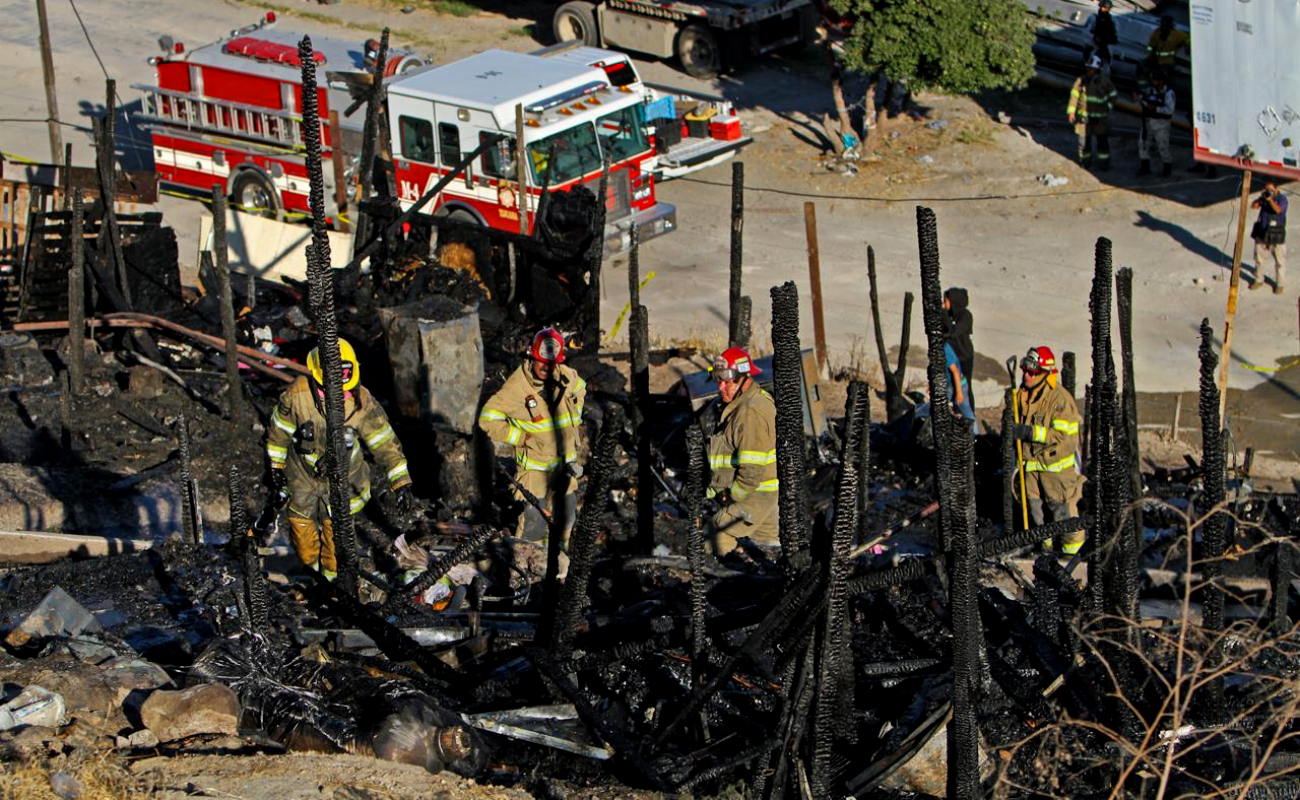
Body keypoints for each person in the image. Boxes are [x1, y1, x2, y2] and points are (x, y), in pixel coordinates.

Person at [265, 338, 412, 579]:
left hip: (345, 481)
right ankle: (311, 572)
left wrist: (401, 482)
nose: (340, 386)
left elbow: (384, 442)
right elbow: (278, 430)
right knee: (303, 537)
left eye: (345, 373)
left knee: (337, 543)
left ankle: (332, 583)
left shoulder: (361, 400)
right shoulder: (298, 395)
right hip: (302, 476)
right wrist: (275, 466)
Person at [479, 328, 586, 544]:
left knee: (566, 519)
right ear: (532, 357)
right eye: (541, 362)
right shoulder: (516, 388)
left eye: (551, 364)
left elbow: (581, 388)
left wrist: (575, 415)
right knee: (533, 527)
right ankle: (527, 569)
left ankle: (558, 568)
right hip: (535, 471)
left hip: (563, 467)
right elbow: (487, 419)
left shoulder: (566, 376)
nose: (546, 368)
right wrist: (521, 438)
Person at [1007, 346, 1085, 555]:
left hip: (1055, 472)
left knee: (1062, 514)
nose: (1027, 375)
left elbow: (1063, 438)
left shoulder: (1060, 400)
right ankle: (1045, 551)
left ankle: (1072, 554)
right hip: (1030, 469)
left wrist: (1030, 433)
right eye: (1025, 370)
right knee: (1036, 515)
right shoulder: (1022, 395)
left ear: (1045, 374)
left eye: (1032, 372)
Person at [706, 347, 779, 555]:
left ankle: (723, 577)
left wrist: (730, 497)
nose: (721, 387)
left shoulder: (750, 412)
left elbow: (751, 472)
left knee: (720, 530)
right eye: (717, 381)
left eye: (727, 381)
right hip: (762, 496)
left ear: (745, 378)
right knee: (767, 549)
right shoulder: (742, 405)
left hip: (755, 494)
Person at [1068, 55, 1117, 171]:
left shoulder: (1105, 82)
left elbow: (1113, 96)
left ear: (1098, 69)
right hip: (1084, 118)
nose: (1089, 70)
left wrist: (1106, 109)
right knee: (1083, 143)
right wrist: (1071, 113)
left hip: (1100, 119)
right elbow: (1074, 96)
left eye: (1091, 68)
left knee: (1102, 143)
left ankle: (1104, 164)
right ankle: (1085, 162)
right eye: (1088, 68)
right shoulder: (1080, 81)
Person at [1249, 183, 1289, 294]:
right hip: (1262, 234)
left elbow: (1278, 210)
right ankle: (1258, 280)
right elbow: (1253, 206)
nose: (1268, 191)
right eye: (1266, 189)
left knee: (1280, 261)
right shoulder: (1264, 198)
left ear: (1276, 189)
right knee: (1259, 259)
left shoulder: (1282, 199)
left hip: (1277, 234)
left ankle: (1280, 284)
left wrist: (1270, 200)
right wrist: (1261, 198)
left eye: (1270, 189)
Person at [1136, 71, 1175, 177]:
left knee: (1163, 147)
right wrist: (1139, 98)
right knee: (1142, 144)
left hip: (1161, 124)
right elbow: (1143, 100)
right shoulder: (1150, 90)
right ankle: (1145, 168)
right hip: (1147, 122)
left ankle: (1167, 170)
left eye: (1156, 80)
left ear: (1162, 81)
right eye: (1153, 80)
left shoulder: (1168, 93)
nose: (1154, 82)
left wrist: (1156, 108)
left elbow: (1170, 110)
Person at [944, 287, 974, 406]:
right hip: (951, 357)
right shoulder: (949, 315)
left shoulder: (966, 316)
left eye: (945, 301)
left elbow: (954, 331)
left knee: (965, 387)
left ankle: (968, 413)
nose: (944, 304)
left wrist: (944, 318)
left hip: (963, 357)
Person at [1090, 0, 1118, 73]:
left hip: (1105, 43)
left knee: (1107, 56)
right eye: (1104, 7)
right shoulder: (1094, 17)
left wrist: (1110, 39)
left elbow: (1114, 32)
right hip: (1094, 41)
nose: (1105, 9)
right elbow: (1090, 30)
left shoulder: (1111, 20)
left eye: (1107, 8)